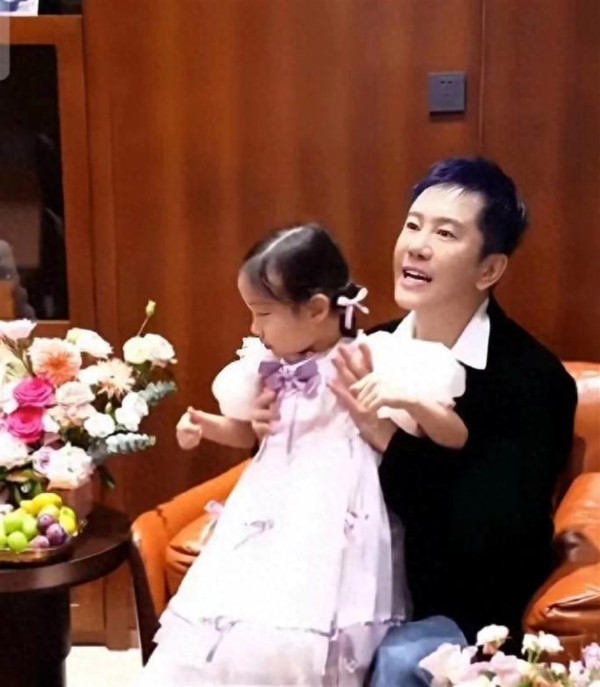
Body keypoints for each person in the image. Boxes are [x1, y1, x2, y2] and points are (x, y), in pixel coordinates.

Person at [137, 223, 468, 687]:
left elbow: (455, 435)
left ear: (316, 309)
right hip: (265, 514)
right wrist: (206, 426)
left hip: (331, 520)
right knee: (232, 629)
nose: (254, 328)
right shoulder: (267, 369)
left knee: (303, 639)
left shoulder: (375, 358)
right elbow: (255, 432)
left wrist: (407, 399)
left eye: (263, 314)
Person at [321, 157, 578, 685]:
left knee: (400, 661)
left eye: (445, 233)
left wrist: (388, 439)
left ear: (489, 269)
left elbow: (491, 534)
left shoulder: (532, 379)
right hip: (348, 587)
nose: (417, 246)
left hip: (456, 608)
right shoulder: (367, 349)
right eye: (413, 225)